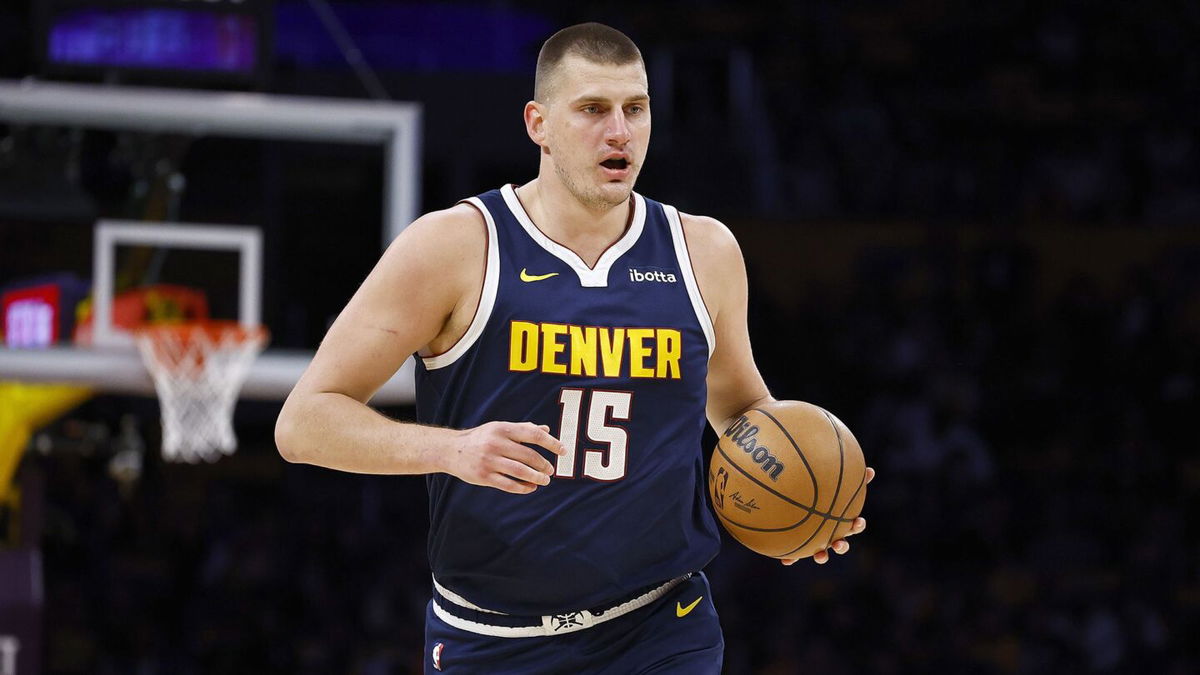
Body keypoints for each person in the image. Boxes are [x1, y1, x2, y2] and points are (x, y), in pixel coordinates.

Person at [276, 21, 872, 674]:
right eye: (593, 109)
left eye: (634, 109)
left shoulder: (704, 251)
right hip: (491, 637)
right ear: (538, 123)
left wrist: (800, 491)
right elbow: (304, 422)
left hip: (659, 626)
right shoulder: (454, 247)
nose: (619, 131)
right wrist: (451, 447)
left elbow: (739, 408)